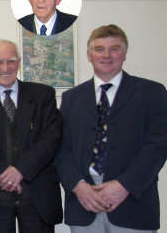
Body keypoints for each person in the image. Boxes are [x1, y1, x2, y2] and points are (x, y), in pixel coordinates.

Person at [56, 24, 167, 232]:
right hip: (84, 203)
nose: (106, 55)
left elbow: (159, 145)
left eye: (114, 48)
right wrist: (78, 187)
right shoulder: (72, 98)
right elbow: (61, 149)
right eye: (99, 49)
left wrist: (124, 186)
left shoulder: (152, 92)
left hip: (133, 203)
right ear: (89, 55)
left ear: (124, 54)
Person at [0, 39, 63, 233]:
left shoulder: (43, 95)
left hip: (37, 196)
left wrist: (20, 170)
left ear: (19, 62)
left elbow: (51, 139)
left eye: (11, 61)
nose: (5, 68)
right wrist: (1, 174)